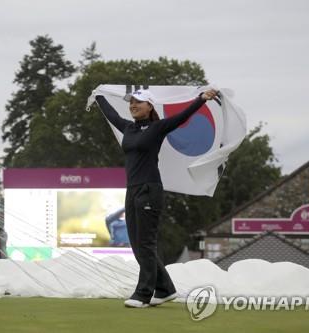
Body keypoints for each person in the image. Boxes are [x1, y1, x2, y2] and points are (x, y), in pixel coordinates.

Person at [94, 87, 219, 308]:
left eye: (138, 102)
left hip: (149, 190)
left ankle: (143, 293)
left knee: (146, 244)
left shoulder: (157, 127)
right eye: (131, 102)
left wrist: (202, 99)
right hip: (132, 190)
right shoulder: (129, 128)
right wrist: (98, 95)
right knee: (136, 243)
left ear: (150, 106)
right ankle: (165, 289)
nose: (133, 105)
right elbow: (112, 116)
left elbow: (183, 116)